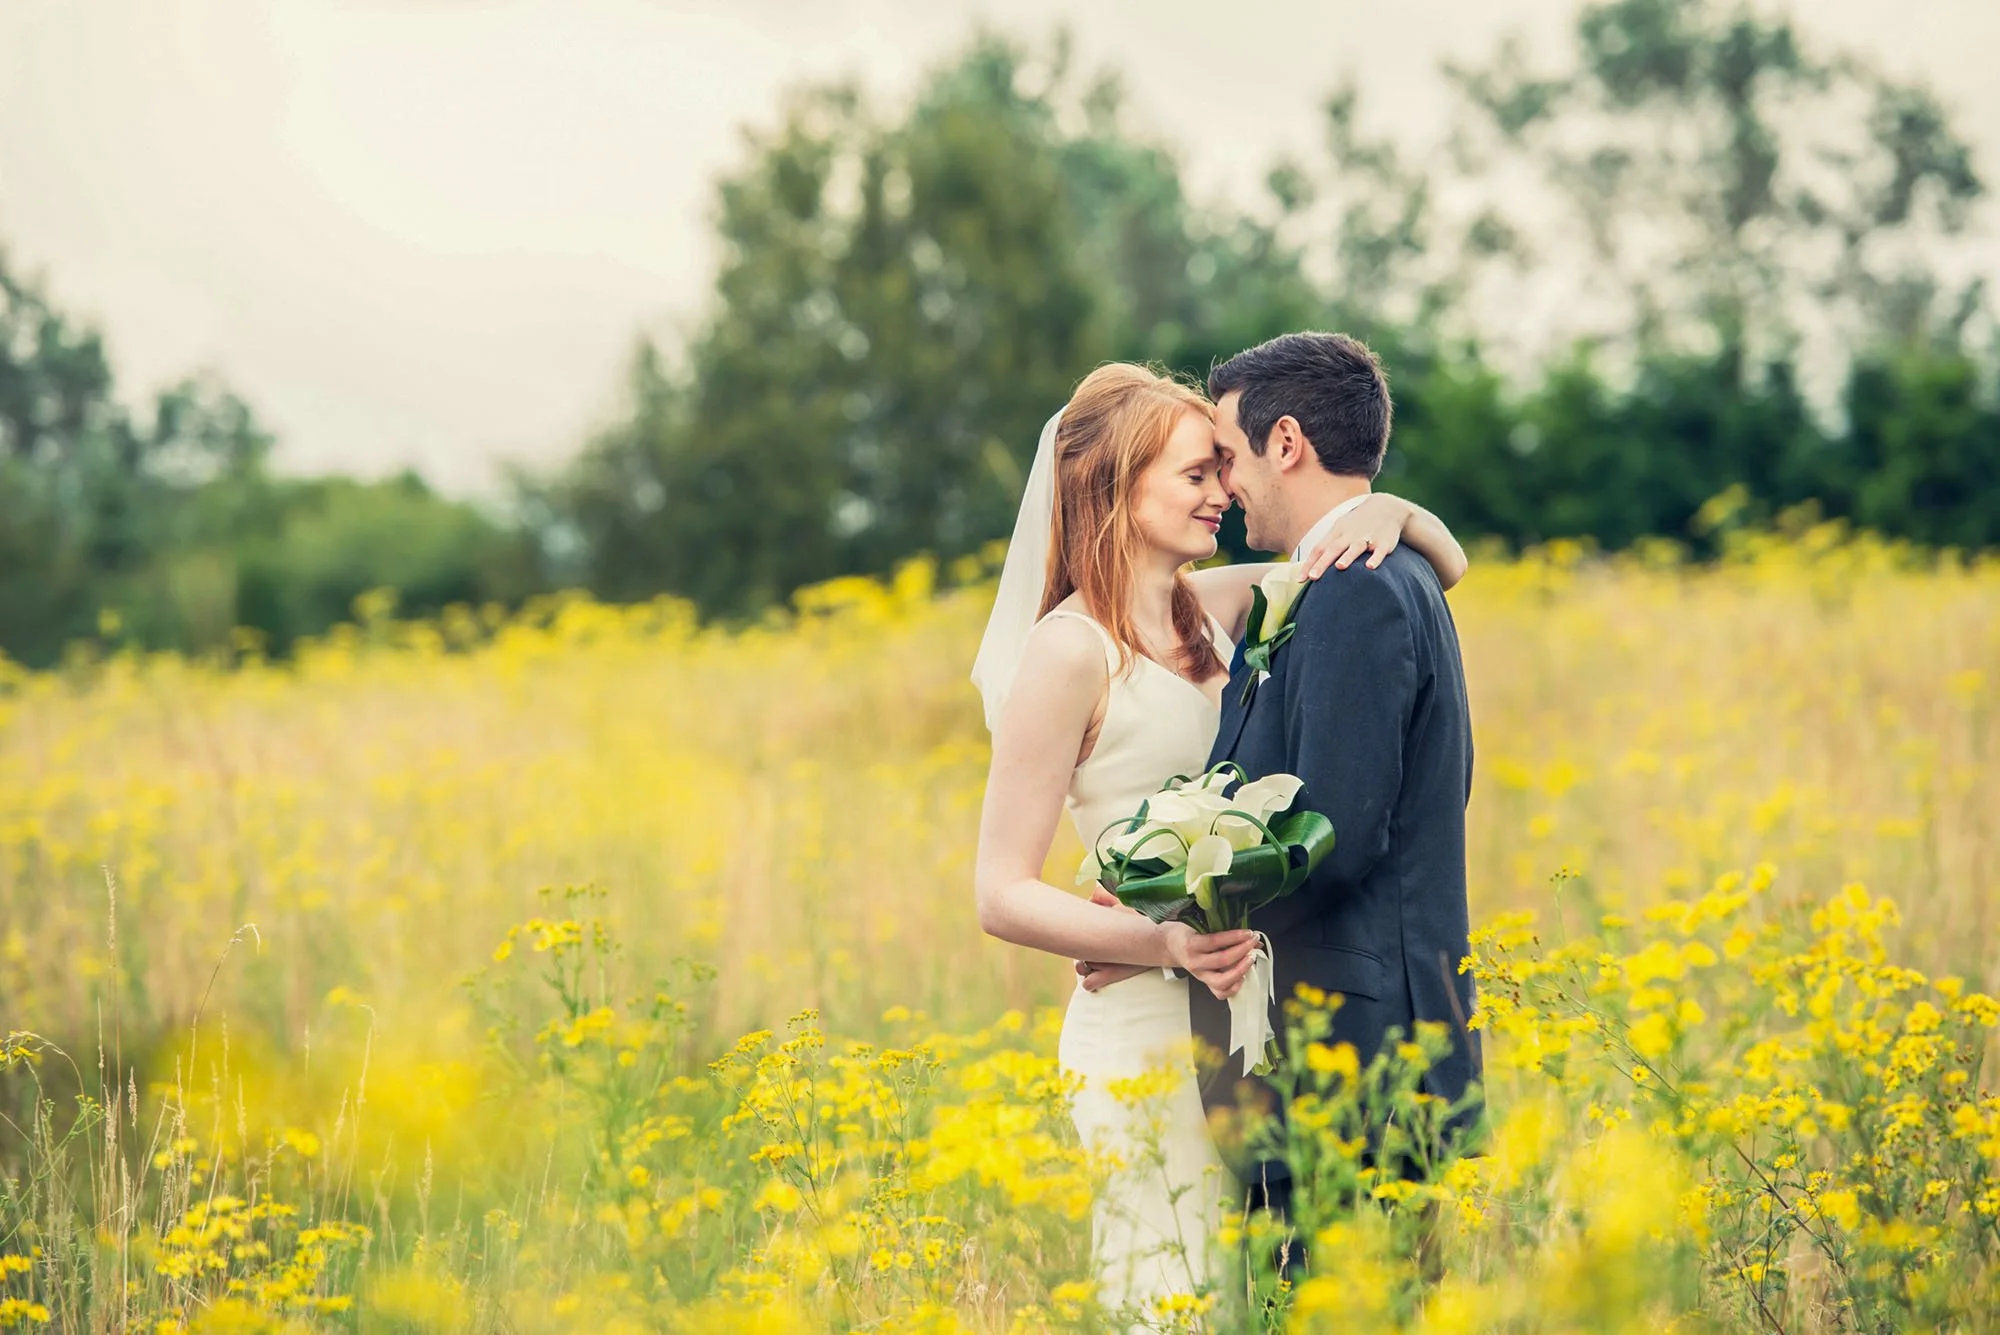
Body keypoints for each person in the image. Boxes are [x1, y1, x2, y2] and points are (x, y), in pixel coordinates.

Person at [970, 359, 1467, 1321]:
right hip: (1147, 1021)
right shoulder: (1068, 651)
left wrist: (1396, 511)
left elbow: (1414, 568)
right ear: (1112, 486)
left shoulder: (1215, 604)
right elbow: (1000, 890)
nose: (1222, 492)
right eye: (1195, 473)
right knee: (1173, 1294)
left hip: (1241, 1012)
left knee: (1247, 1295)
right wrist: (1157, 940)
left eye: (1221, 467)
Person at [1187, 332, 1481, 1225]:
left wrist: (1166, 908)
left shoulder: (1357, 587)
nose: (1224, 485)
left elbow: (1335, 840)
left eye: (1228, 457)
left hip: (1353, 1055)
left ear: (1286, 442)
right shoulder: (1352, 573)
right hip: (1360, 1043)